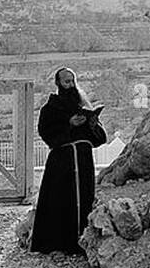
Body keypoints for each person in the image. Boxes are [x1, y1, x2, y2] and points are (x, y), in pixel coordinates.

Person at [28, 67, 107, 256]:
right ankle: (59, 244)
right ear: (58, 84)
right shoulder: (50, 109)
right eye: (66, 82)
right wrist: (68, 124)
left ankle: (82, 242)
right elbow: (46, 132)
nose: (70, 85)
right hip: (62, 162)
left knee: (84, 199)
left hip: (83, 160)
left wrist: (92, 125)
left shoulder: (82, 106)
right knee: (60, 201)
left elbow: (99, 138)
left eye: (72, 81)